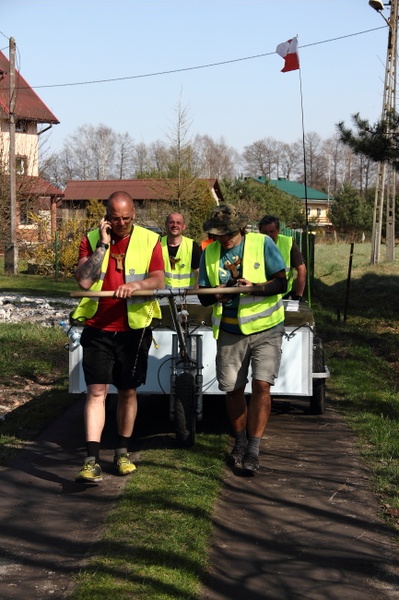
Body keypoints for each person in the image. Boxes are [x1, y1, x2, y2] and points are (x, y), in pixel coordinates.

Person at [71, 191, 165, 484]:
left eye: (126, 218)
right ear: (106, 217)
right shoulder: (90, 238)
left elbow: (159, 280)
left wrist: (137, 285)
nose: (121, 223)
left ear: (133, 214)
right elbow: (85, 280)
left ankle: (122, 451)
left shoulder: (150, 240)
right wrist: (103, 244)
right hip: (98, 327)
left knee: (128, 391)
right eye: (115, 218)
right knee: (96, 392)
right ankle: (91, 459)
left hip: (134, 329)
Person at [198, 204, 287, 474]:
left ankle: (253, 449)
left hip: (266, 329)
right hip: (229, 331)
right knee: (232, 389)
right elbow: (202, 295)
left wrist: (255, 288)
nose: (223, 240)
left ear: (240, 228)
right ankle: (239, 442)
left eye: (227, 234)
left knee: (262, 385)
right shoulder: (209, 253)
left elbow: (282, 283)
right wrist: (218, 295)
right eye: (217, 234)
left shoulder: (262, 243)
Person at [258, 214, 307, 301]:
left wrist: (298, 295)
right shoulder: (253, 244)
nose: (269, 235)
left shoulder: (288, 243)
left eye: (272, 232)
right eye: (265, 233)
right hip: (260, 292)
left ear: (278, 231)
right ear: (260, 232)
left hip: (282, 295)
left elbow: (301, 269)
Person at [161, 212, 202, 289]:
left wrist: (196, 294)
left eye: (178, 223)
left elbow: (199, 273)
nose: (175, 225)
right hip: (163, 296)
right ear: (166, 225)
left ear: (184, 226)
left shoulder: (192, 245)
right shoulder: (158, 245)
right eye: (171, 222)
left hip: (187, 296)